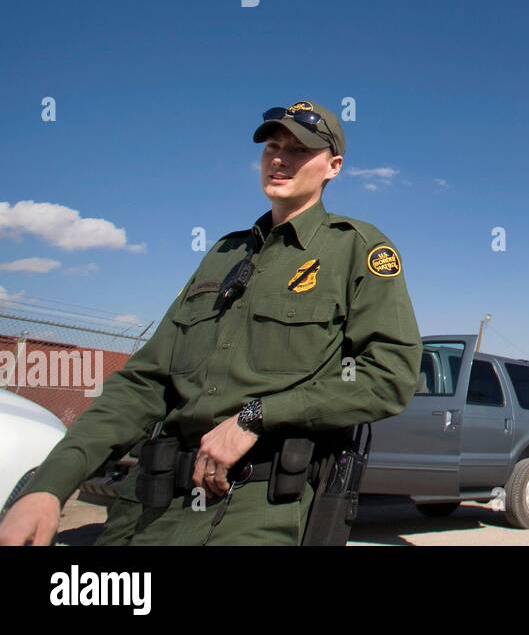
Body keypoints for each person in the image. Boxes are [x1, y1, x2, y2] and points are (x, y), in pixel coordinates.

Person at [0, 100, 422, 546]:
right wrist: (50, 485)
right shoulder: (224, 254)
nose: (279, 159)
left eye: (299, 150)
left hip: (258, 509)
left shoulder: (357, 249)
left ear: (333, 166)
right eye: (272, 147)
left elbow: (388, 376)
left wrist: (255, 417)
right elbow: (144, 382)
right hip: (150, 506)